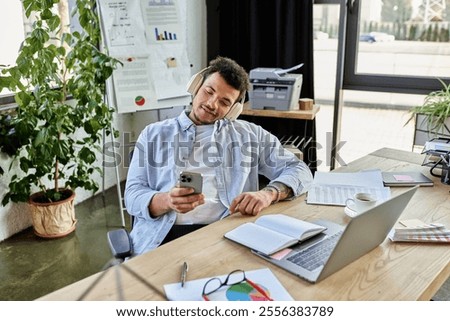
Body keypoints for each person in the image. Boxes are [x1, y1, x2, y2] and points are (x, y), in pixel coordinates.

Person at [124, 56, 313, 255]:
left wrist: (268, 194)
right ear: (195, 86)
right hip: (163, 236)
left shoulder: (250, 135)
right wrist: (166, 201)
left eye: (224, 102)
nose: (212, 104)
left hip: (227, 235)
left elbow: (299, 170)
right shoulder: (154, 133)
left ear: (234, 110)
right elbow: (133, 196)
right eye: (209, 92)